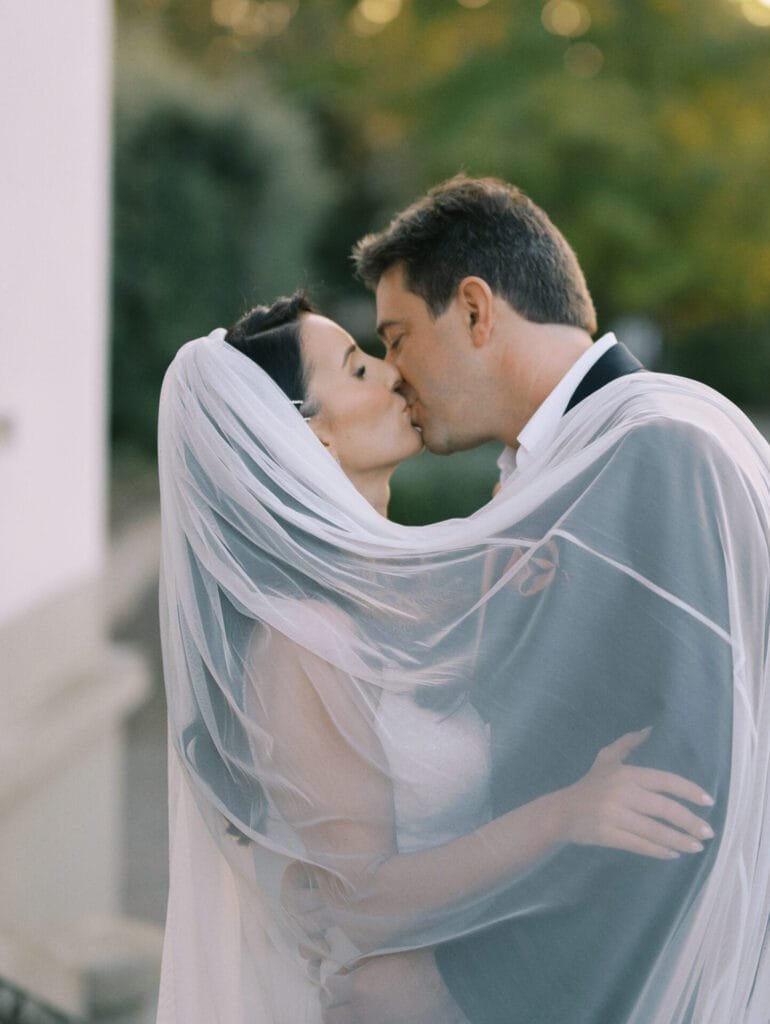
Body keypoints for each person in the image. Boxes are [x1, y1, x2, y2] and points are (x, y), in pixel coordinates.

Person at [154, 293, 720, 1024]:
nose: (393, 372)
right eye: (358, 368)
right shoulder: (299, 642)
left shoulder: (402, 596)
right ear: (309, 439)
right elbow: (359, 903)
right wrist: (567, 814)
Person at [314, 174, 770, 1023]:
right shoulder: (559, 467)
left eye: (400, 336)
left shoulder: (658, 450)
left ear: (477, 312)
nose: (395, 372)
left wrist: (479, 983)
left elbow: (690, 782)